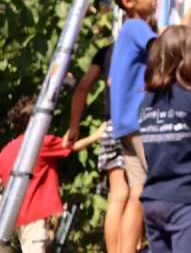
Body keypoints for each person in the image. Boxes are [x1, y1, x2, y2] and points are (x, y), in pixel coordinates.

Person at [107, 0, 191, 253]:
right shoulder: (136, 26)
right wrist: (188, 15)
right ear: (128, 1)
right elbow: (166, 49)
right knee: (157, 188)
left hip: (124, 124)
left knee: (139, 192)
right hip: (141, 123)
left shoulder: (127, 32)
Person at [138, 24, 191, 252]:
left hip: (153, 200)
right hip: (184, 201)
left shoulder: (147, 101)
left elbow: (148, 154)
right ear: (190, 60)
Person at [0, 97, 104, 253]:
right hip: (34, 214)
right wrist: (98, 134)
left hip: (13, 215)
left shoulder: (7, 149)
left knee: (43, 245)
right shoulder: (40, 142)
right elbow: (71, 146)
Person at [62, 35, 128, 253]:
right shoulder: (147, 45)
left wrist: (74, 126)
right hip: (136, 125)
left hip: (112, 126)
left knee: (118, 195)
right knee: (135, 194)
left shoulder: (107, 52)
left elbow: (83, 87)